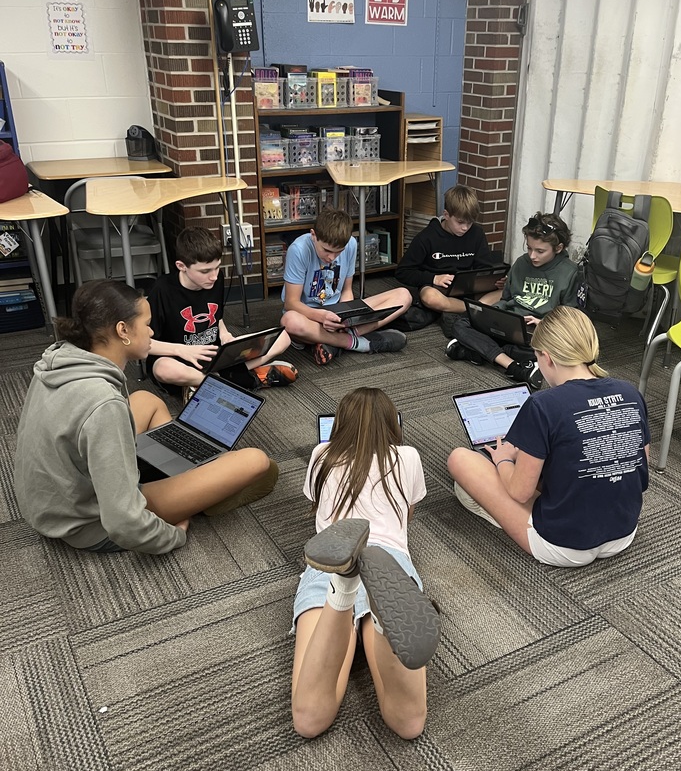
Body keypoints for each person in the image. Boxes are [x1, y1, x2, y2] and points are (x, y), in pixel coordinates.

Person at [14, 280, 279, 554]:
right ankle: (197, 491)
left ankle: (185, 474)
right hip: (88, 522)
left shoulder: (60, 361)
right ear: (123, 330)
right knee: (259, 462)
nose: (152, 332)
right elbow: (123, 522)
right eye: (148, 324)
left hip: (52, 501)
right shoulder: (103, 404)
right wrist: (172, 536)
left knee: (147, 400)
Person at [447, 306, 649, 568]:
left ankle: (512, 516)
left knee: (460, 460)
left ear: (547, 357)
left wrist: (504, 459)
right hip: (624, 533)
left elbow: (520, 493)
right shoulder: (630, 392)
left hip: (563, 546)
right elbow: (640, 474)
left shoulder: (543, 404)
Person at [292, 388, 440, 739]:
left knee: (308, 722)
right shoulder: (408, 457)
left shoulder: (321, 454)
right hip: (390, 562)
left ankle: (343, 588)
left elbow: (313, 505)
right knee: (409, 725)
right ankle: (381, 612)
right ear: (392, 426)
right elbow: (408, 514)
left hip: (328, 561)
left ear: (338, 426)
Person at [147, 227, 297, 394]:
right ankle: (240, 380)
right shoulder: (162, 289)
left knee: (282, 338)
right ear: (181, 266)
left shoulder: (215, 280)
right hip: (180, 358)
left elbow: (216, 318)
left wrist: (225, 335)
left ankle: (204, 385)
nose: (213, 276)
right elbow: (143, 343)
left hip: (214, 354)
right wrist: (179, 349)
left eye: (217, 267)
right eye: (205, 271)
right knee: (164, 369)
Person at [445, 211, 582, 386]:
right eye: (530, 248)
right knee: (461, 323)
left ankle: (475, 351)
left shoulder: (570, 272)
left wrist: (544, 323)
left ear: (559, 248)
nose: (532, 256)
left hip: (538, 331)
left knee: (561, 351)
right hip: (510, 322)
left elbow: (571, 318)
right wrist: (494, 312)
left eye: (540, 251)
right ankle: (514, 366)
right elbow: (507, 298)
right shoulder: (521, 262)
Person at [280, 208, 411, 365]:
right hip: (309, 316)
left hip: (338, 315)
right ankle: (358, 343)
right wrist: (322, 317)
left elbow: (347, 289)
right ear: (313, 235)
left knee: (404, 296)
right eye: (326, 250)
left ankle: (334, 341)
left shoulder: (350, 244)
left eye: (338, 252)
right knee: (289, 321)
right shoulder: (299, 250)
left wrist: (347, 317)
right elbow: (291, 303)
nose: (331, 257)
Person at [395, 184, 501, 318]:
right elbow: (402, 272)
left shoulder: (477, 233)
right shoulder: (427, 237)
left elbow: (484, 267)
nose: (465, 228)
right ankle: (475, 310)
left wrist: (492, 280)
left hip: (468, 287)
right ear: (446, 215)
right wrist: (434, 278)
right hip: (439, 289)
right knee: (430, 298)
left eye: (470, 223)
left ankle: (467, 310)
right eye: (460, 222)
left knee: (506, 290)